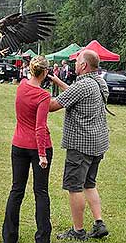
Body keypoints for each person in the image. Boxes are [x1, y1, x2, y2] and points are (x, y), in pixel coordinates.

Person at [48, 50, 110, 240]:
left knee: (75, 187)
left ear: (84, 66)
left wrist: (32, 94)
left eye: (77, 61)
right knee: (89, 184)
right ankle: (99, 224)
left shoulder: (82, 85)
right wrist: (57, 81)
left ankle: (78, 231)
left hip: (80, 146)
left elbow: (53, 106)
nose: (75, 64)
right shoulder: (100, 82)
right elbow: (75, 95)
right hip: (97, 143)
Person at [3, 56, 53, 243]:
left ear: (31, 70)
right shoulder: (43, 96)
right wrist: (42, 154)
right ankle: (42, 238)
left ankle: (9, 236)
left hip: (18, 145)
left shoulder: (22, 86)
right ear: (46, 72)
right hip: (39, 148)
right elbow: (40, 127)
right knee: (41, 192)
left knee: (16, 190)